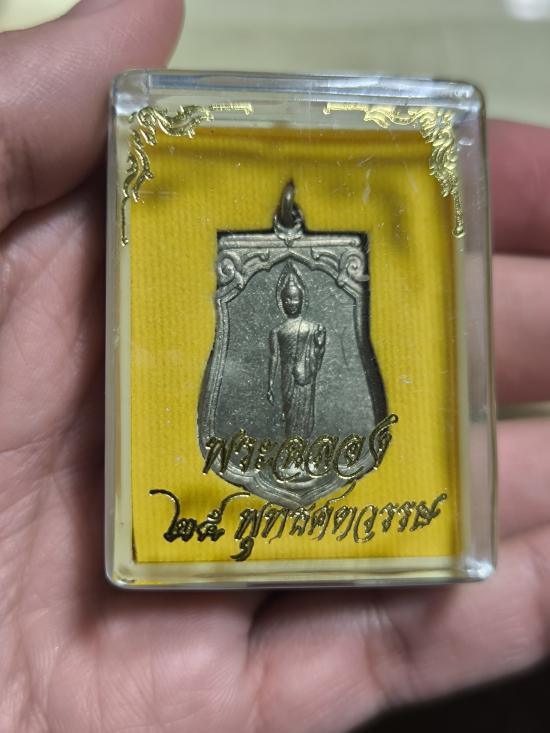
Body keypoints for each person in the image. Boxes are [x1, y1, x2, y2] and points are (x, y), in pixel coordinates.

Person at [0, 1, 549, 731]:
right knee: (287, 420)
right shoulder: (268, 300)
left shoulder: (317, 315)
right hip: (276, 390)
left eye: (295, 292)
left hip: (311, 383)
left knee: (309, 416)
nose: (292, 295)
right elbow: (261, 361)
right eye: (288, 293)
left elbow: (329, 353)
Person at [267, 262, 326, 437]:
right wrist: (270, 384)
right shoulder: (277, 331)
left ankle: (302, 444)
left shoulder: (311, 328)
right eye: (287, 299)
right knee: (290, 415)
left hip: (304, 378)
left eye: (295, 298)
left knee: (303, 416)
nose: (291, 302)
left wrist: (319, 344)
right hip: (287, 378)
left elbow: (317, 356)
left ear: (302, 300)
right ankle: (291, 444)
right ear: (281, 301)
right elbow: (274, 357)